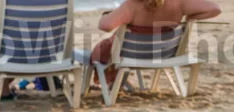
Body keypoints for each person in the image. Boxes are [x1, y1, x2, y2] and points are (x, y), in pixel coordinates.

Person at [91, 0, 221, 85]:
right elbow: (215, 9)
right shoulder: (179, 2)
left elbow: (105, 26)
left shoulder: (132, 5)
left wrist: (107, 15)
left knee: (103, 48)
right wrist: (190, 18)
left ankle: (111, 80)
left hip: (133, 56)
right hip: (165, 55)